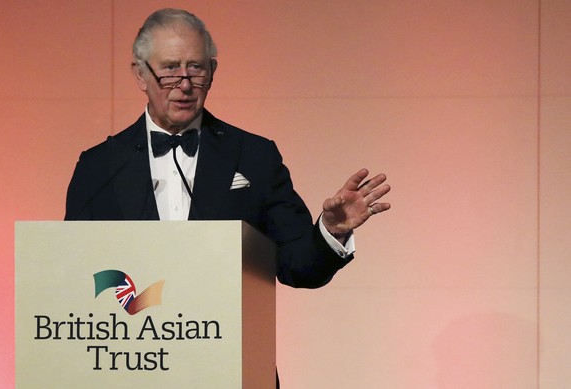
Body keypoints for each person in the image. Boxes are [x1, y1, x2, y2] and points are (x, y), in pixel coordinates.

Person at [65, 8, 391, 386]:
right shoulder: (99, 167)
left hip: (233, 371)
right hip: (130, 371)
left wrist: (330, 231)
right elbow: (77, 280)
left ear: (213, 71)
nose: (184, 84)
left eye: (196, 69)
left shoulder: (254, 156)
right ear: (140, 74)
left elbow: (298, 266)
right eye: (170, 68)